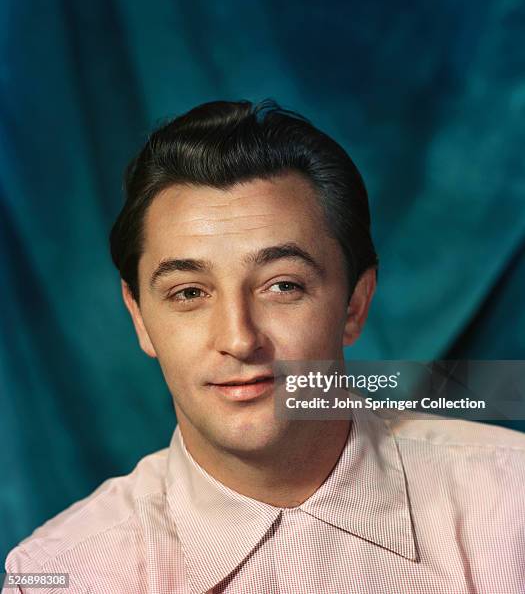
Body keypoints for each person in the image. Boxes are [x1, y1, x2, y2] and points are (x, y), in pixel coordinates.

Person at [4, 100, 525, 594]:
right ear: (140, 318)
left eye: (283, 286)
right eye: (189, 293)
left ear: (354, 304)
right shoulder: (60, 573)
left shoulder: (511, 504)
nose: (239, 339)